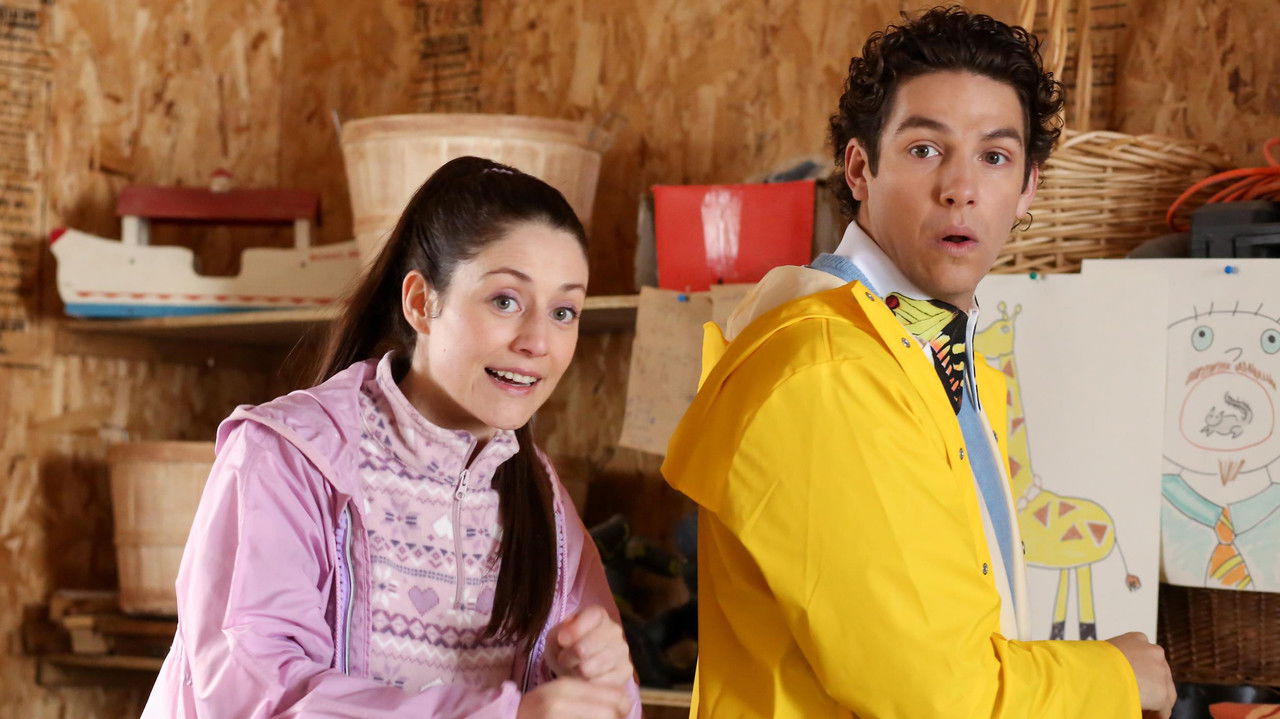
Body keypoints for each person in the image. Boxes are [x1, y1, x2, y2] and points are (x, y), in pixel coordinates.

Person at [662, 7, 1176, 718]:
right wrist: (1116, 676)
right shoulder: (829, 371)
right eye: (925, 149)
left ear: (1028, 188)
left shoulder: (933, 358)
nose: (960, 187)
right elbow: (939, 693)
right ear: (860, 168)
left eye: (994, 157)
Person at [142, 156, 640, 719]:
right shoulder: (287, 456)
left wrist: (596, 680)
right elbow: (250, 694)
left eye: (564, 312)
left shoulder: (543, 502)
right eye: (505, 300)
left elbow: (607, 709)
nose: (538, 342)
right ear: (421, 303)